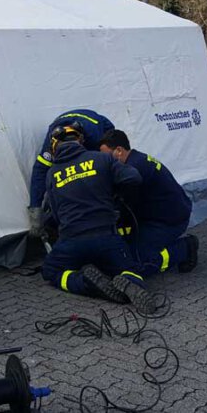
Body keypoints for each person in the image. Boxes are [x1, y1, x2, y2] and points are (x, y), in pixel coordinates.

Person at [40, 125, 159, 314]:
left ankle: (85, 283)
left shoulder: (52, 174)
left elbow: (54, 214)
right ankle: (130, 281)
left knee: (51, 270)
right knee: (129, 267)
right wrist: (115, 196)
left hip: (73, 241)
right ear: (80, 141)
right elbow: (133, 177)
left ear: (55, 147)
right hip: (106, 237)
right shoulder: (101, 159)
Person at [98, 130, 198, 277]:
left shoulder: (134, 170)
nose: (104, 161)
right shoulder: (136, 160)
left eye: (106, 156)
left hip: (168, 221)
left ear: (119, 150)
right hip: (159, 215)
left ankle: (185, 247)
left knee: (142, 263)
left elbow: (125, 206)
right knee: (127, 250)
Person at [28, 109, 115, 231]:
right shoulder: (50, 143)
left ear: (81, 140)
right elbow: (40, 171)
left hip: (96, 122)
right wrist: (35, 209)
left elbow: (104, 164)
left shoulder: (94, 138)